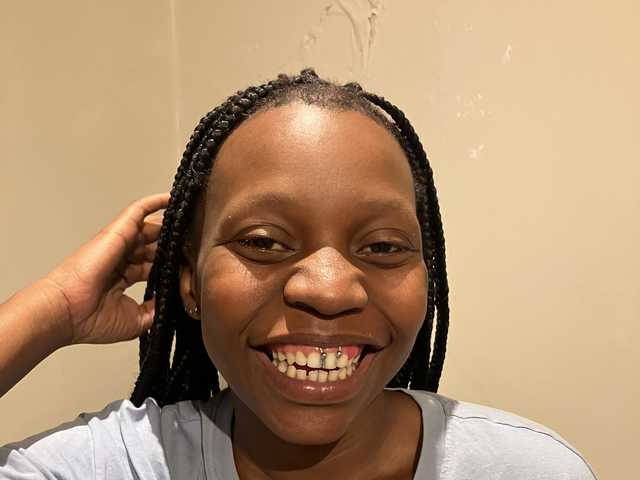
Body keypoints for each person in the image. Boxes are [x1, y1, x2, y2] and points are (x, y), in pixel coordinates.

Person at [0, 69, 597, 479]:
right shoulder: (118, 465)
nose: (329, 290)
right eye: (263, 242)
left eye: (383, 246)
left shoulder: (528, 469)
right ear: (190, 283)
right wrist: (55, 306)